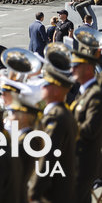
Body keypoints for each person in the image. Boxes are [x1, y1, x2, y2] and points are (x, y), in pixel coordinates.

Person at [28, 65, 77, 202]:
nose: (42, 87)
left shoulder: (56, 117)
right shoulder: (63, 112)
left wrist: (33, 191)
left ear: (56, 90)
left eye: (46, 84)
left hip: (53, 192)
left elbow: (48, 159)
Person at [69, 51, 102, 203]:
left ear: (89, 69)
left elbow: (90, 129)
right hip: (77, 158)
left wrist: (67, 128)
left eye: (76, 66)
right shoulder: (84, 92)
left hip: (85, 161)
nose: (71, 70)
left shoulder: (95, 94)